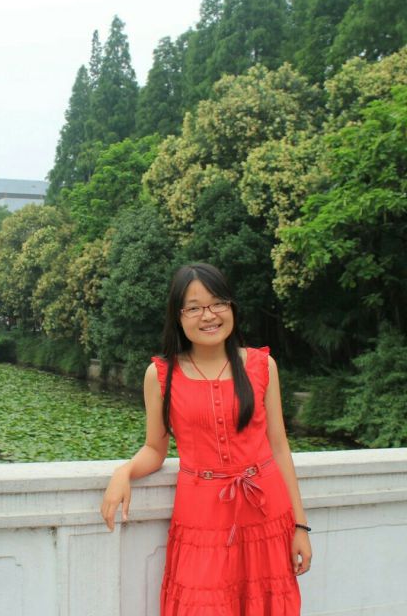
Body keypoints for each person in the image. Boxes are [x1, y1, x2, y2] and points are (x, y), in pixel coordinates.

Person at [101, 262, 311, 615]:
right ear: (178, 316)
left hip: (266, 513)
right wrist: (124, 472)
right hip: (201, 518)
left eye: (218, 304)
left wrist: (299, 526)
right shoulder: (161, 375)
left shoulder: (262, 366)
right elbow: (155, 448)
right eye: (195, 308)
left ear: (231, 307)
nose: (209, 315)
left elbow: (279, 447)